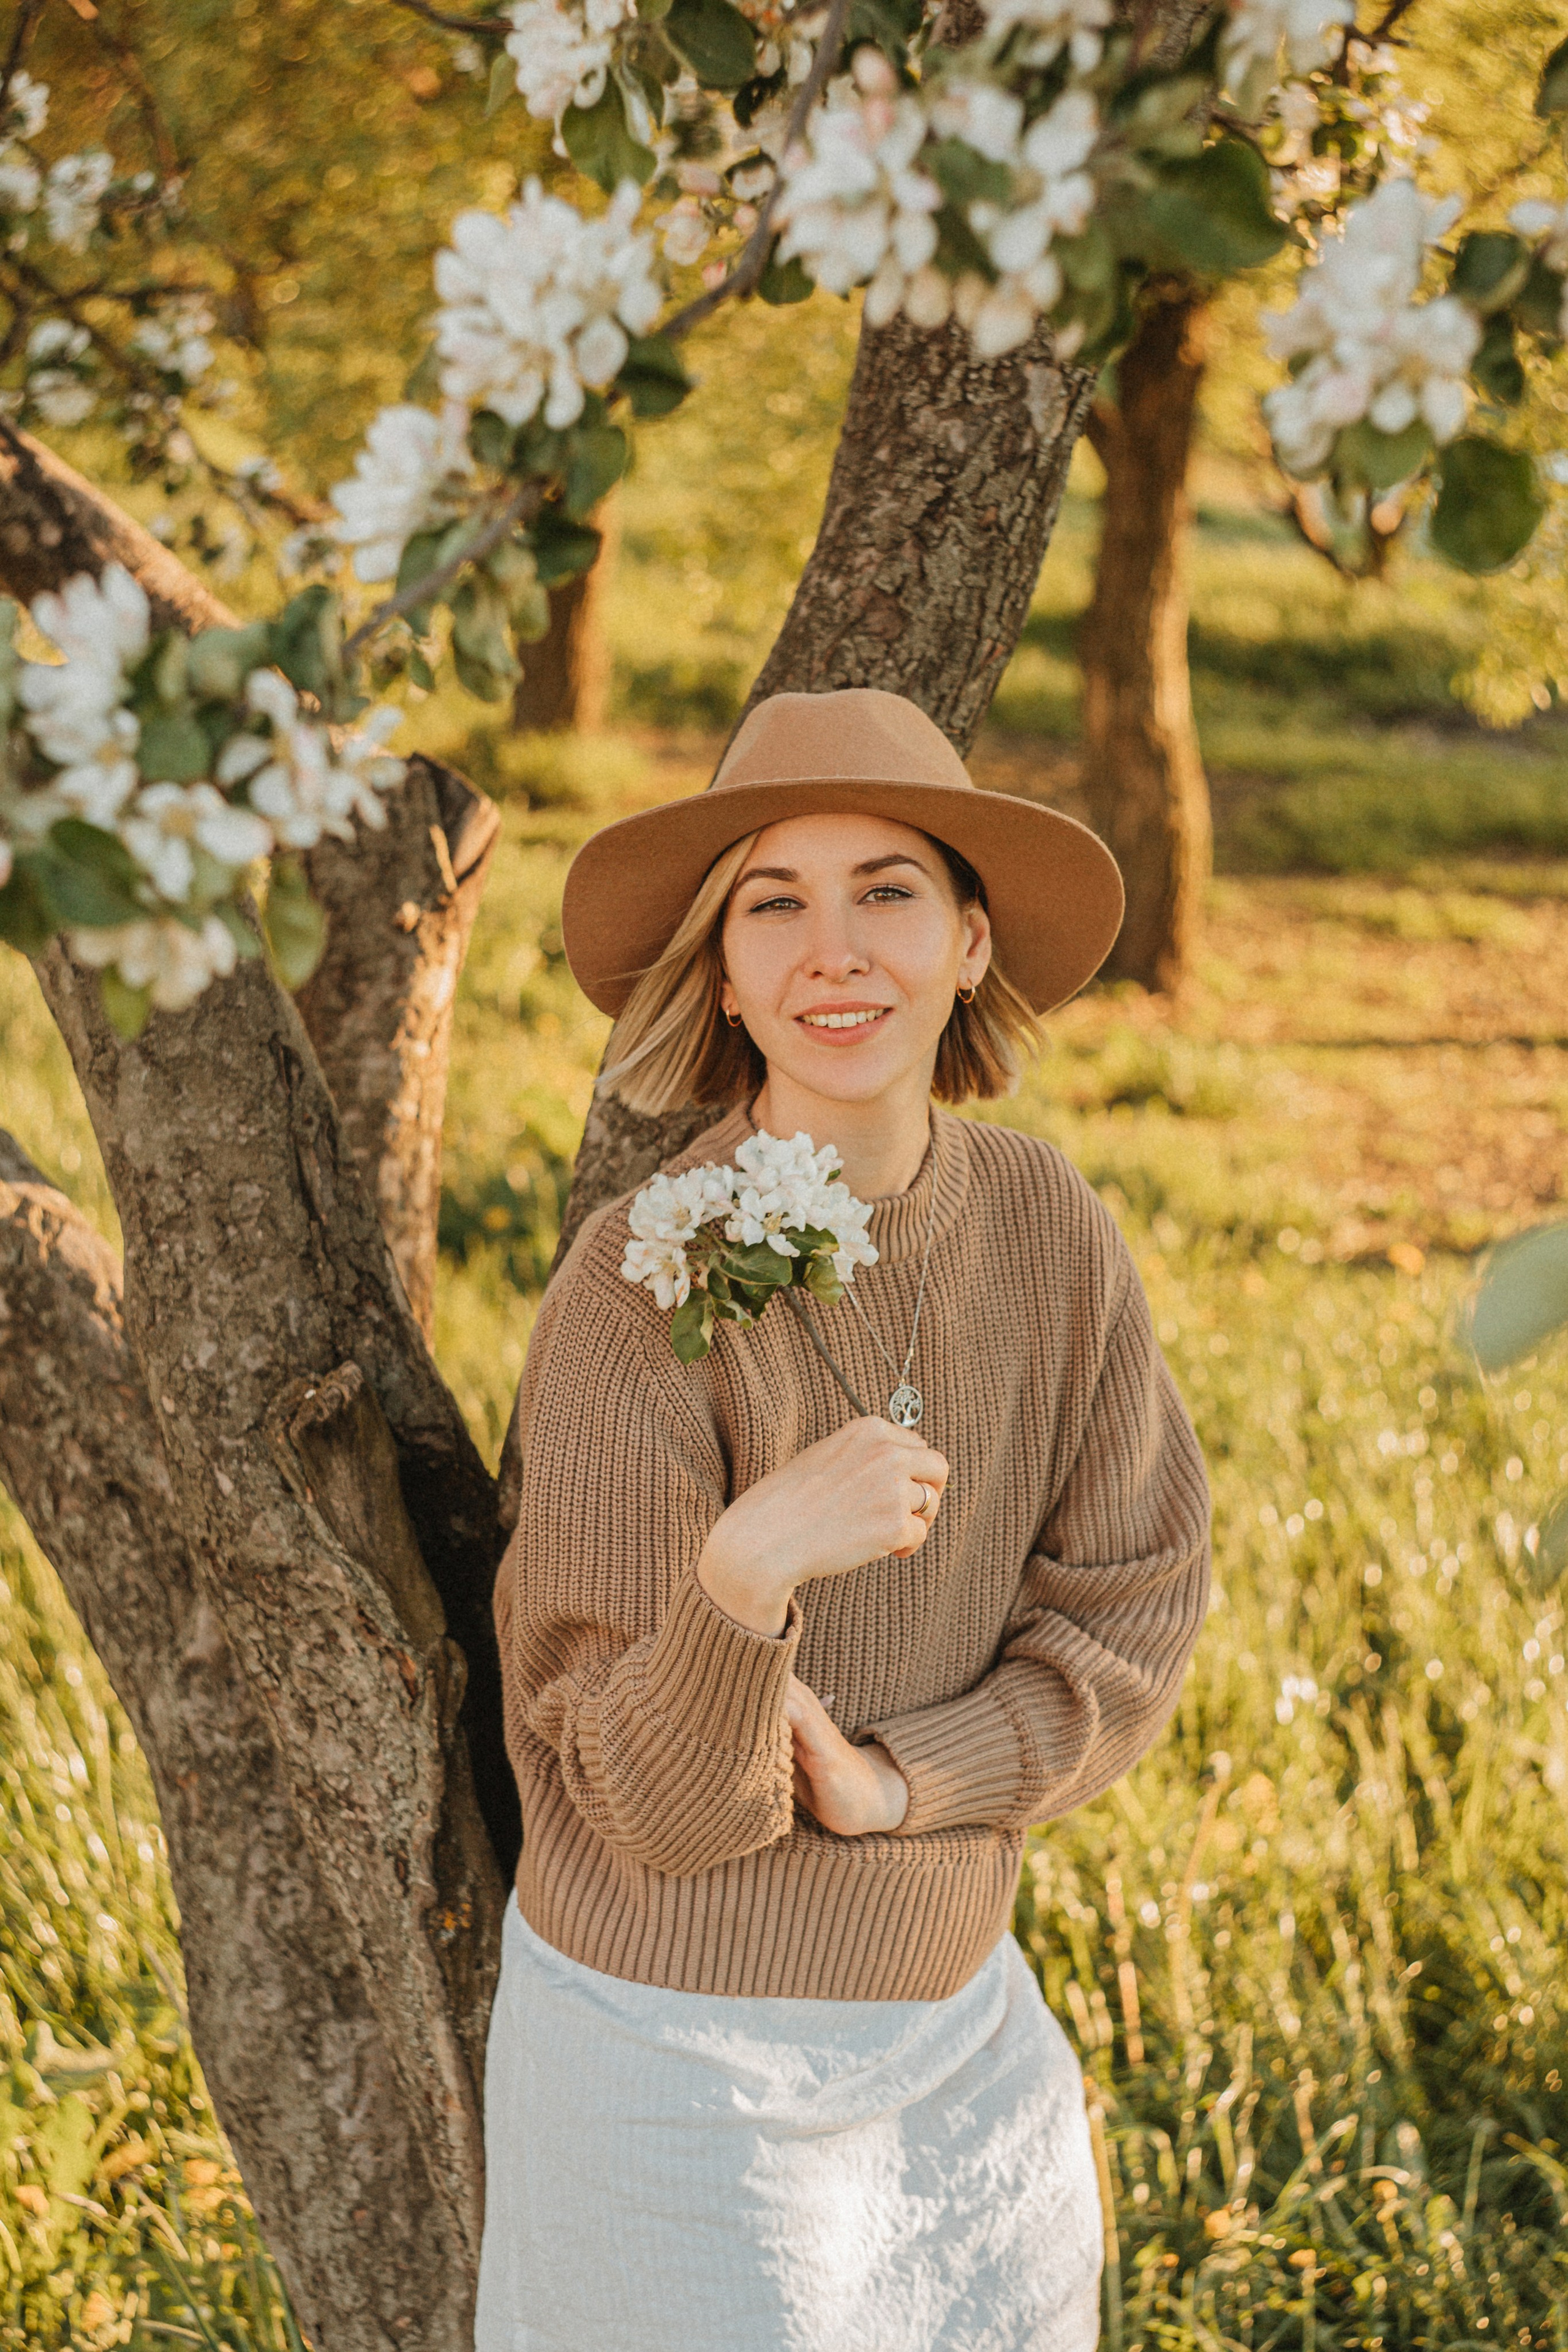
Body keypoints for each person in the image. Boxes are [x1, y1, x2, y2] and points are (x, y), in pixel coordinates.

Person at [478, 687, 1212, 2352]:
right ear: (722, 975)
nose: (836, 952)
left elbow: (1131, 1616)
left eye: (888, 889)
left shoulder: (1049, 1230)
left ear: (969, 944)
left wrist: (903, 1785)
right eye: (774, 903)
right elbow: (652, 1808)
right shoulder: (637, 1278)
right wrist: (748, 1571)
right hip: (670, 2058)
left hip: (959, 2044)